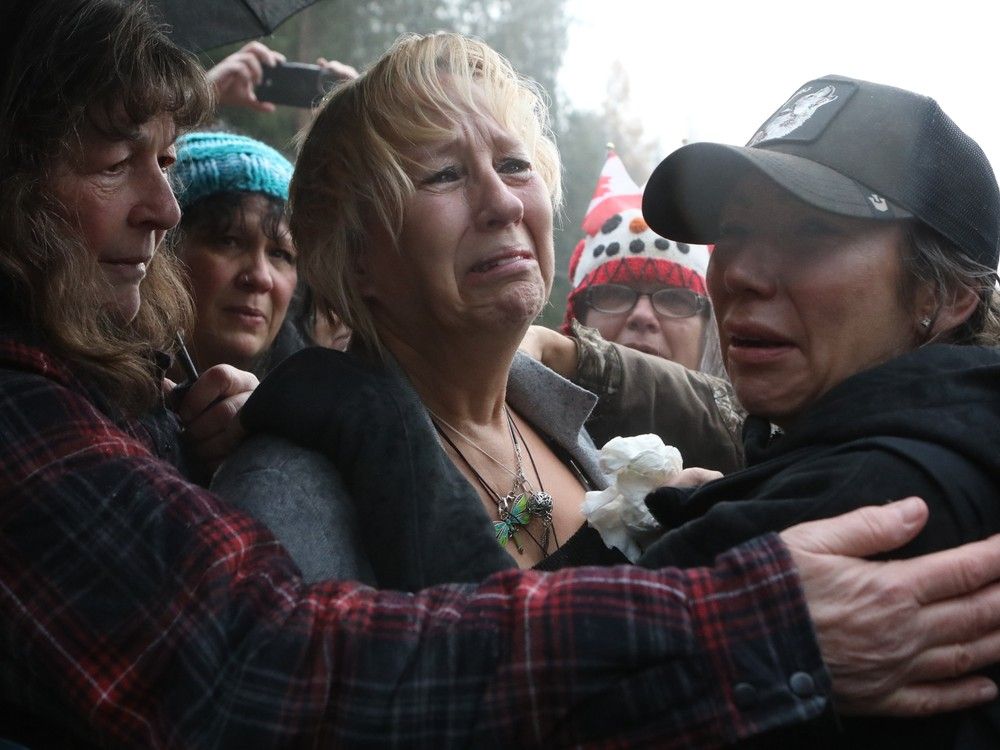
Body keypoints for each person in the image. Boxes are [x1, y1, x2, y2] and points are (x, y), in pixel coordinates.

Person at [5, 5, 1000, 745]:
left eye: (517, 166)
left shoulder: (591, 434)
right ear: (356, 258)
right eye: (442, 174)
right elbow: (275, 673)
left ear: (949, 294)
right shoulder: (287, 483)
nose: (499, 203)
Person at [530, 75, 1000, 746]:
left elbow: (502, 692)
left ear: (946, 295)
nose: (739, 273)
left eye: (811, 232)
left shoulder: (868, 508)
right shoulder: (940, 439)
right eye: (734, 231)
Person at [562, 148, 723, 375]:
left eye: (675, 299)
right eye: (613, 294)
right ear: (576, 318)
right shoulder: (515, 396)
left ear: (711, 329)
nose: (642, 316)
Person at [170, 130, 301, 376]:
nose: (261, 278)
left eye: (280, 254)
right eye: (229, 242)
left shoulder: (324, 396)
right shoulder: (98, 391)